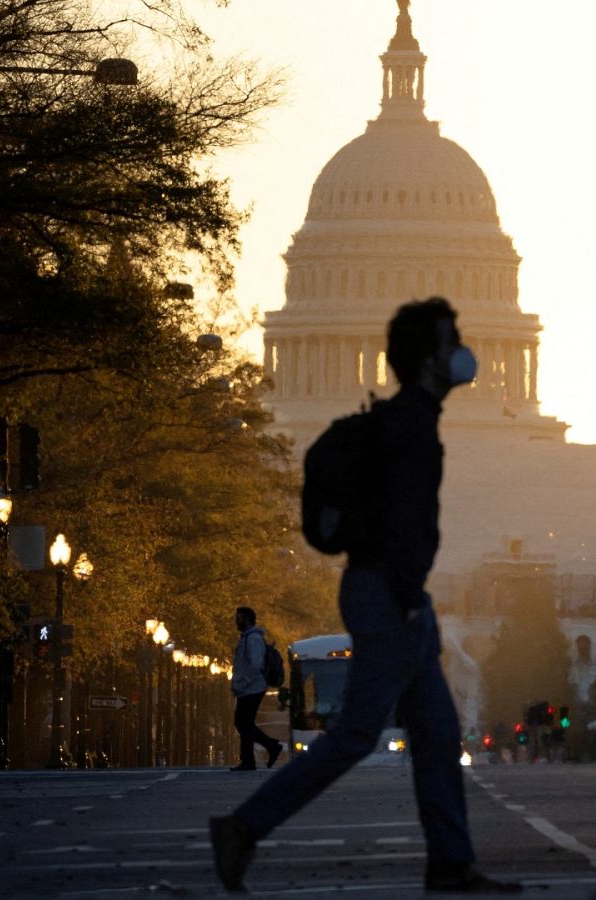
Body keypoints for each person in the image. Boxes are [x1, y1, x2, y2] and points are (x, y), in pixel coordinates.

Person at [210, 298, 522, 894]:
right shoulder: (410, 430)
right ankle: (244, 827)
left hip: (392, 592)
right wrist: (408, 600)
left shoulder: (403, 420)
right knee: (356, 733)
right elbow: (405, 527)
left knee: (435, 731)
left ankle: (451, 862)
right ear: (430, 358)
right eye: (451, 339)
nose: (463, 349)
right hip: (390, 594)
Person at [228, 607, 283, 771]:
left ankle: (266, 749)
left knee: (242, 722)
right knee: (245, 723)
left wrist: (242, 683)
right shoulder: (248, 638)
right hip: (249, 687)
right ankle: (251, 758)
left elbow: (255, 665)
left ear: (247, 619)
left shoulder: (253, 639)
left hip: (253, 687)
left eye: (239, 618)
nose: (236, 621)